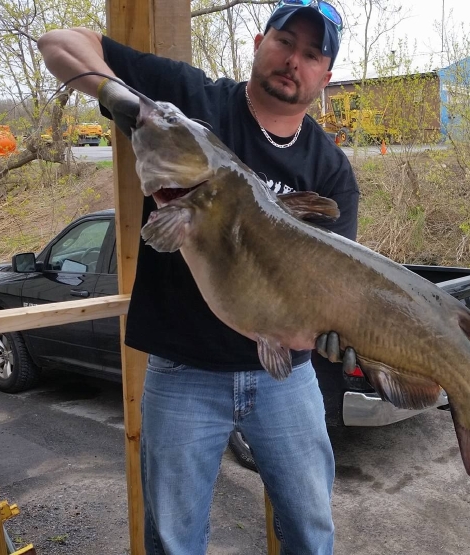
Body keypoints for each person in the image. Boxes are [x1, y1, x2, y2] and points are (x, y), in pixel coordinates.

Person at [38, 2, 357, 553]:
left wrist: (340, 333)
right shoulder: (190, 101)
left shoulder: (330, 170)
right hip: (182, 372)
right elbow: (58, 42)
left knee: (310, 530)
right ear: (259, 42)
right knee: (172, 537)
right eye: (284, 42)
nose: (293, 61)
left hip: (287, 379)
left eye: (311, 54)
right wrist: (125, 102)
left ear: (325, 77)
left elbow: (337, 279)